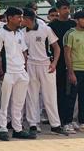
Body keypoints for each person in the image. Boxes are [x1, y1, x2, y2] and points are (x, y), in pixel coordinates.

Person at [21, 8, 66, 136]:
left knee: (50, 95)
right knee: (31, 95)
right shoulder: (22, 32)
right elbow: (23, 51)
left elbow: (57, 48)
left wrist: (54, 63)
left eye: (22, 18)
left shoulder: (45, 29)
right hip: (30, 65)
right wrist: (25, 65)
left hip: (46, 65)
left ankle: (55, 125)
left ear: (28, 19)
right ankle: (33, 124)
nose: (20, 20)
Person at [0, 7, 34, 140]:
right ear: (10, 18)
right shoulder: (0, 34)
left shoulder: (20, 33)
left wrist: (25, 69)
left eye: (22, 17)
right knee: (4, 102)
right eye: (19, 17)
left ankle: (18, 129)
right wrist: (1, 72)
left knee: (18, 103)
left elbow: (24, 52)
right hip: (8, 72)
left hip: (21, 72)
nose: (21, 20)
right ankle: (3, 129)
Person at [49, 0, 78, 132]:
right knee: (60, 92)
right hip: (58, 63)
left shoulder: (73, 24)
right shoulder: (52, 26)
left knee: (71, 93)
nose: (67, 11)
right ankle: (61, 121)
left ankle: (69, 120)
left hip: (73, 63)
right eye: (64, 8)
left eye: (68, 8)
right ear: (58, 10)